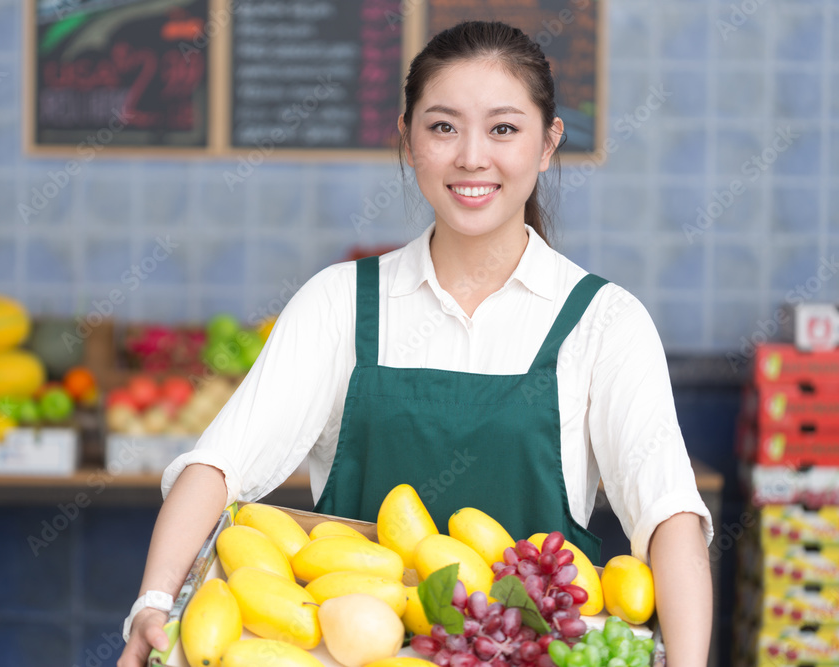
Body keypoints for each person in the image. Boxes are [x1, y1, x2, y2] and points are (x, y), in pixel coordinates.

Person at [118, 20, 713, 667]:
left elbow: (669, 515)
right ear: (407, 141)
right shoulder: (341, 301)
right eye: (443, 126)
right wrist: (153, 599)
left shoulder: (605, 322)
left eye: (504, 128)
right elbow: (218, 465)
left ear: (548, 143)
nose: (472, 156)